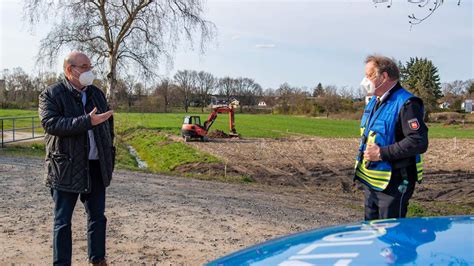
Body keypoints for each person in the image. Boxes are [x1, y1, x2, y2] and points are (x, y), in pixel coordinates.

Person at [39, 51, 115, 265]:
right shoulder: (51, 94)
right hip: (66, 167)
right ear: (69, 69)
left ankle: (98, 260)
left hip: (95, 167)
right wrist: (86, 121)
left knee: (98, 218)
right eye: (84, 67)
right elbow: (51, 124)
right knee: (63, 222)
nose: (88, 71)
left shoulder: (97, 94)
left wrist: (109, 154)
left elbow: (108, 127)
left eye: (90, 67)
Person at [355, 55, 428, 220]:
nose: (365, 80)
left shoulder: (407, 103)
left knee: (391, 239)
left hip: (394, 184)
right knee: (372, 235)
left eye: (369, 75)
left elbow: (418, 141)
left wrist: (381, 153)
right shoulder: (375, 101)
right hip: (372, 183)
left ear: (384, 76)